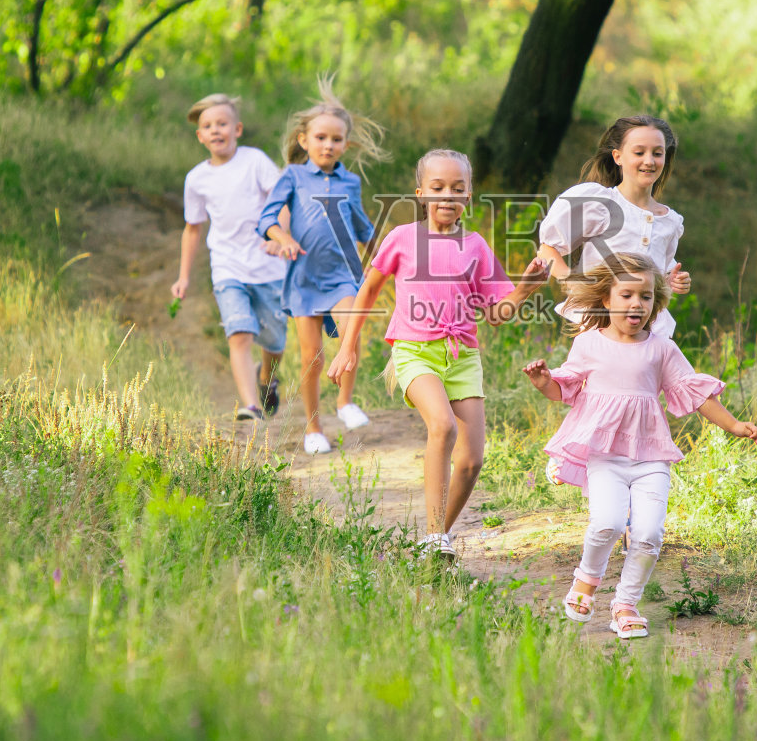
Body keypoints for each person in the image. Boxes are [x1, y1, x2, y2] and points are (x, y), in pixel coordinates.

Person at [523, 253, 757, 639]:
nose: (637, 304)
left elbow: (694, 393)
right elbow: (564, 389)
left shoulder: (661, 348)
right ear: (606, 299)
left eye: (646, 297)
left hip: (652, 458)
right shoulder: (588, 344)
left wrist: (734, 425)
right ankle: (586, 580)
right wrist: (543, 382)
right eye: (627, 295)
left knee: (649, 535)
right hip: (605, 457)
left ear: (656, 303)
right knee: (608, 523)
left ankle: (626, 604)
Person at [327, 149, 548, 558]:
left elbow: (496, 314)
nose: (447, 196)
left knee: (471, 461)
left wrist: (524, 290)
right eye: (438, 187)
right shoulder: (402, 238)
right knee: (443, 427)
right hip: (415, 351)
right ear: (421, 194)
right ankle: (433, 536)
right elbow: (368, 290)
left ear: (469, 196)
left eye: (457, 189)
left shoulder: (476, 246)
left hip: (462, 356)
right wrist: (347, 347)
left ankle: (433, 543)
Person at [257, 86, 386, 455]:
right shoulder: (293, 177)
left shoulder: (350, 182)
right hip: (304, 278)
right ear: (304, 140)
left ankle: (344, 401)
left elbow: (361, 225)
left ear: (346, 144)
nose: (328, 145)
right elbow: (266, 220)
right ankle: (313, 428)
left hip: (343, 275)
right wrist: (282, 237)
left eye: (336, 139)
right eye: (320, 137)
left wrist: (386, 256)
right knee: (312, 357)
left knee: (350, 333)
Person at [170, 93, 287, 422]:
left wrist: (280, 237)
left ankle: (266, 378)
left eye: (222, 123)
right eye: (208, 126)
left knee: (275, 341)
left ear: (237, 129)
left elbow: (282, 199)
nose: (215, 130)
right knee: (239, 333)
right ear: (200, 136)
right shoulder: (197, 179)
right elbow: (192, 229)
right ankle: (251, 406)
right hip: (227, 266)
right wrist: (183, 277)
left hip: (268, 266)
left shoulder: (255, 161)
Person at [535, 115, 690, 340]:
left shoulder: (669, 221)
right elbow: (547, 249)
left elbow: (658, 277)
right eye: (639, 153)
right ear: (618, 157)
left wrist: (673, 281)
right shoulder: (599, 203)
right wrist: (573, 282)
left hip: (646, 329)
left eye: (657, 153)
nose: (649, 161)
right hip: (598, 324)